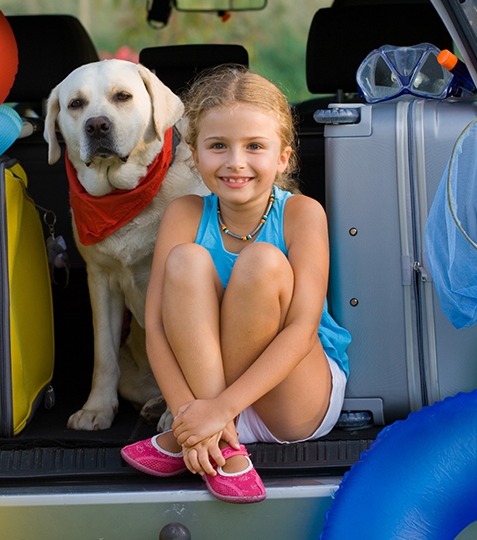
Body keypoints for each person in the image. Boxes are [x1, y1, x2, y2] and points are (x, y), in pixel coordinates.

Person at [120, 66, 351, 504]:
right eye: (218, 146)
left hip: (290, 395)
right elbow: (155, 327)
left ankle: (203, 434)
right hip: (206, 401)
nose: (235, 162)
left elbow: (302, 330)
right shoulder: (185, 213)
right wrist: (190, 412)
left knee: (261, 261)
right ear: (194, 153)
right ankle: (221, 446)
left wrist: (213, 413)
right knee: (185, 260)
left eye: (255, 147)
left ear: (283, 157)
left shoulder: (302, 214)